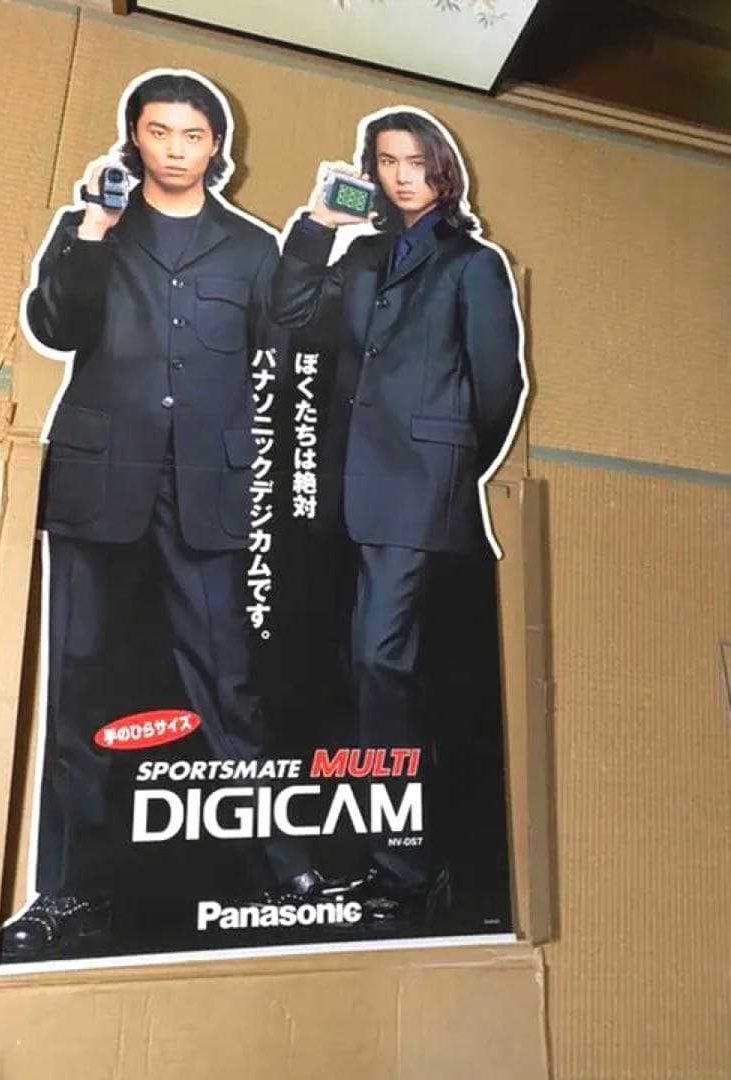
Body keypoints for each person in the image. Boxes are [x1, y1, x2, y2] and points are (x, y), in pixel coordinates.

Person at [0, 71, 334, 961]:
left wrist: (314, 234)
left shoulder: (251, 246)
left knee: (230, 687)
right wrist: (93, 228)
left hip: (205, 495)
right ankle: (65, 893)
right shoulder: (96, 227)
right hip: (99, 485)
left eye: (193, 134)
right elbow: (56, 324)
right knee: (79, 689)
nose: (176, 149)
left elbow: (291, 328)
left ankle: (286, 872)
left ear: (216, 145)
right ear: (136, 138)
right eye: (160, 132)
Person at [269, 108, 527, 925]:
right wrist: (318, 225)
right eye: (387, 162)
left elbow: (499, 387)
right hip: (347, 495)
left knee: (383, 664)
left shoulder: (473, 264)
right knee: (360, 672)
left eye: (417, 160)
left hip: (418, 497)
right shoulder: (363, 255)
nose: (402, 175)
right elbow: (289, 312)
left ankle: (409, 869)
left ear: (443, 168)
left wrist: (444, 465)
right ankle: (392, 858)